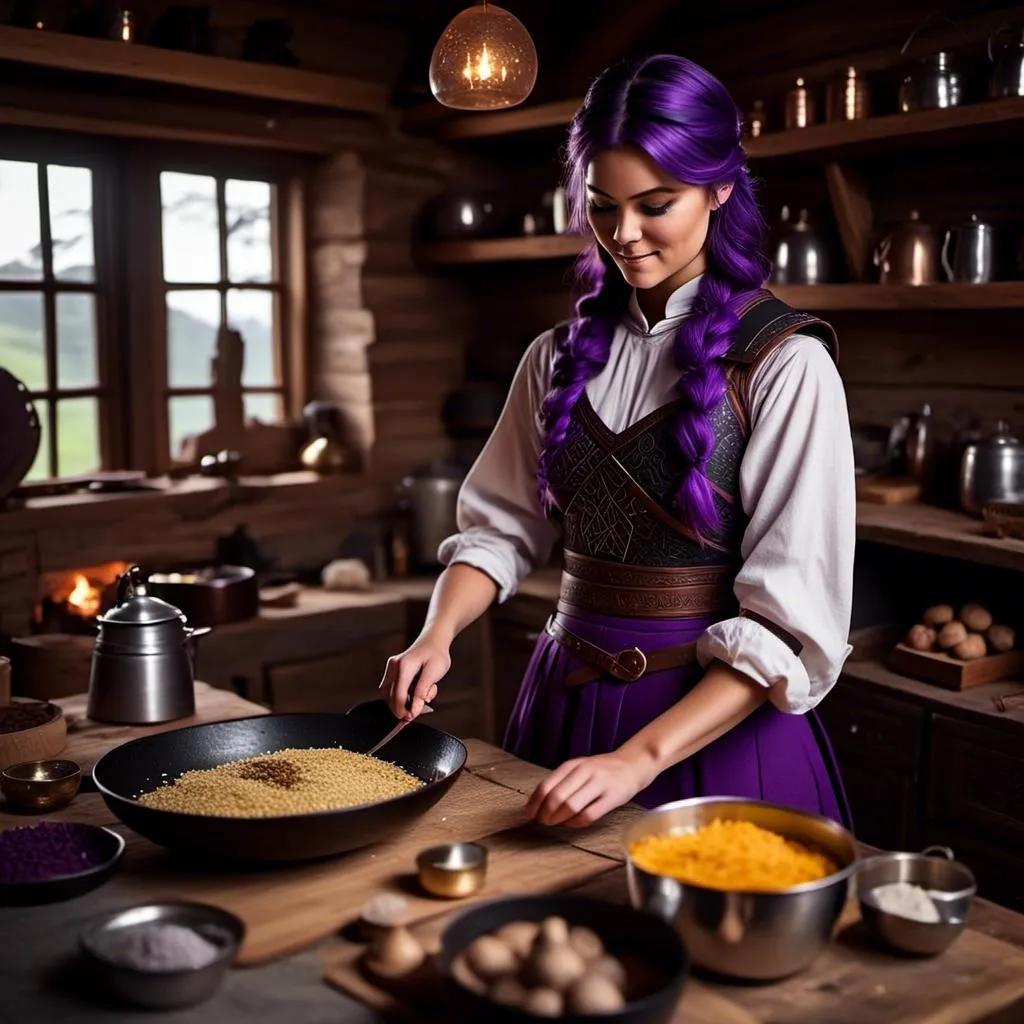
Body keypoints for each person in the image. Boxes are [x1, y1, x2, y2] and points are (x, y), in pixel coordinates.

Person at [380, 54, 855, 832]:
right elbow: (500, 529)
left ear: (719, 188)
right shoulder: (555, 357)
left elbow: (787, 624)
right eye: (602, 206)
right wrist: (437, 633)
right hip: (560, 709)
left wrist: (637, 759)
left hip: (711, 736)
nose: (624, 236)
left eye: (655, 204)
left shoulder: (786, 364)